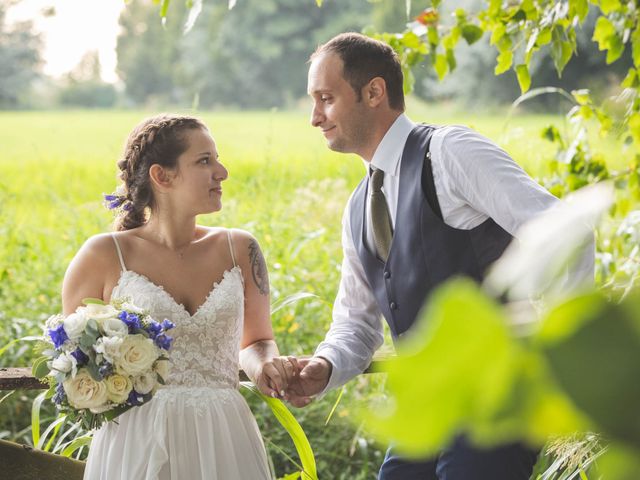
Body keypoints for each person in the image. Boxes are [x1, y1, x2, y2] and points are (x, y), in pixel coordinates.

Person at [280, 32, 593, 479]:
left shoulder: (450, 152)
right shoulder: (357, 207)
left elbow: (566, 234)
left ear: (374, 92)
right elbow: (356, 320)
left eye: (326, 98)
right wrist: (325, 366)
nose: (314, 117)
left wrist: (561, 358)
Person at [63, 114, 289, 479]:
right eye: (205, 161)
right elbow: (78, 364)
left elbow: (259, 340)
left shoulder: (240, 249)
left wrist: (264, 365)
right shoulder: (102, 256)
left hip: (223, 432)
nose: (222, 171)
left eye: (217, 158)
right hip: (138, 439)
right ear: (162, 176)